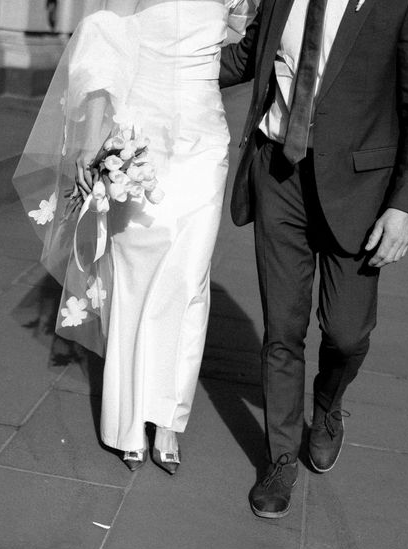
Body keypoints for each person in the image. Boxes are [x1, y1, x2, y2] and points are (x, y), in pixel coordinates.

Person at [220, 0, 408, 517]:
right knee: (283, 328)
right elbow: (250, 56)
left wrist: (405, 206)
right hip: (279, 175)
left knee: (347, 333)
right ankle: (279, 460)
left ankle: (326, 408)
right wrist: (155, 57)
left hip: (361, 191)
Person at [13, 0, 257, 474]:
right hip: (140, 142)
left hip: (204, 146)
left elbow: (240, 42)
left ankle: (167, 417)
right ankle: (126, 421)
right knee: (133, 277)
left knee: (188, 279)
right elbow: (103, 36)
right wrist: (95, 136)